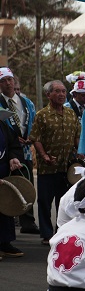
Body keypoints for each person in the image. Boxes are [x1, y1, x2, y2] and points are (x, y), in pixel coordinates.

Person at [30, 80, 81, 245]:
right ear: (48, 95)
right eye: (57, 91)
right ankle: (46, 233)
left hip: (66, 167)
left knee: (64, 201)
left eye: (63, 91)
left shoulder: (70, 114)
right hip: (47, 167)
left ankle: (62, 231)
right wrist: (44, 155)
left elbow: (76, 138)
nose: (61, 94)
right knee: (45, 201)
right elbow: (36, 138)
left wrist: (79, 154)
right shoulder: (41, 115)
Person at [0, 67, 38, 234]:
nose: (8, 83)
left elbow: (35, 122)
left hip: (26, 150)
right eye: (3, 81)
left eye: (10, 79)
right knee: (8, 187)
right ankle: (9, 222)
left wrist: (31, 136)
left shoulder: (26, 102)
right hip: (6, 152)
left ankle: (28, 220)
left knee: (26, 184)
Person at [0, 108, 25, 258]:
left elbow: (13, 145)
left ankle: (4, 243)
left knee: (4, 207)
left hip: (3, 174)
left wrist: (13, 157)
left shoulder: (2, 126)